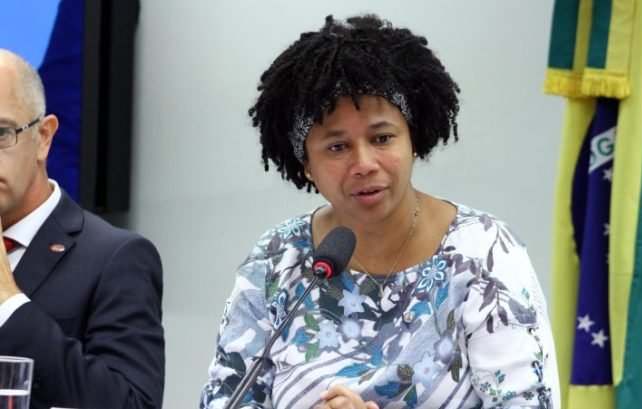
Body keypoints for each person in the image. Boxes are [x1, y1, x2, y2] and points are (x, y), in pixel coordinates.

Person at [200, 15, 559, 409]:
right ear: (306, 164)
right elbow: (224, 399)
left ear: (413, 140)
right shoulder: (276, 261)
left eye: (382, 138)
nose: (364, 163)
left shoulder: (483, 253)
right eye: (337, 147)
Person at [0, 49, 165, 409]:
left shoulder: (115, 257)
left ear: (44, 137)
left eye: (1, 133)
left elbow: (132, 403)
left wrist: (9, 303)